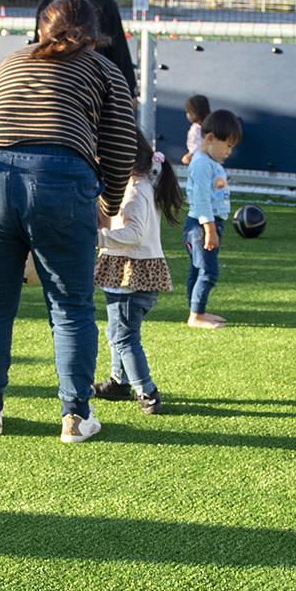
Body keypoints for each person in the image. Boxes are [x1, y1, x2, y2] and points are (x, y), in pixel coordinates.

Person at [0, 0, 143, 442]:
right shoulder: (103, 69)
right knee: (70, 305)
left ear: (43, 28)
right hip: (60, 174)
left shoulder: (10, 60)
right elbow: (121, 147)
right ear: (96, 36)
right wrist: (109, 205)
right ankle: (76, 416)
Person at [93, 135, 182, 416]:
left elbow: (134, 233)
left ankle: (147, 391)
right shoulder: (141, 186)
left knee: (124, 337)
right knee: (118, 332)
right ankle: (119, 382)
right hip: (131, 275)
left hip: (130, 278)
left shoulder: (135, 190)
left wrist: (97, 238)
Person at [185, 109, 239, 329]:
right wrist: (210, 229)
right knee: (208, 271)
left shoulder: (210, 162)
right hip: (201, 226)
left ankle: (197, 310)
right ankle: (195, 316)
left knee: (198, 269)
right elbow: (201, 200)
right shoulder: (201, 164)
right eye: (227, 145)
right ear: (209, 138)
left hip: (207, 224)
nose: (229, 152)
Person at [180, 93, 209, 166]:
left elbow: (198, 144)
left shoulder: (196, 129)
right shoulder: (209, 125)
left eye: (188, 112)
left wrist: (190, 154)